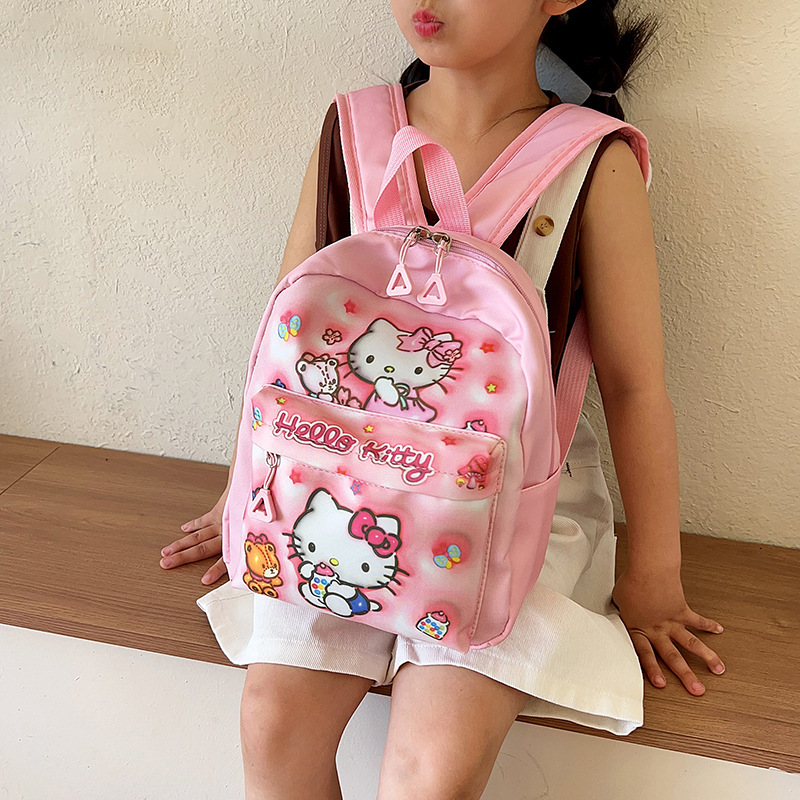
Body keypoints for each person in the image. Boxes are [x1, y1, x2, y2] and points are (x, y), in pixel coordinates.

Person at [159, 1, 727, 797]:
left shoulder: (593, 161)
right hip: (332, 476)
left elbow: (634, 387)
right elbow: (282, 349)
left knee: (433, 767)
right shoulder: (350, 132)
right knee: (272, 723)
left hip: (515, 504)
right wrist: (246, 489)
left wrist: (654, 576)